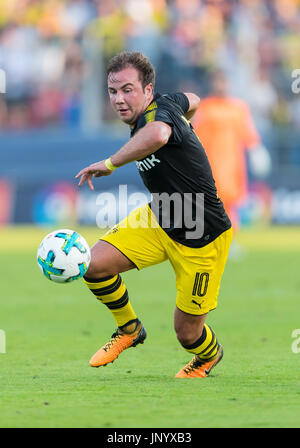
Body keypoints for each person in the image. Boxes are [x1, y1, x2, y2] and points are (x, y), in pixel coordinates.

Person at [75, 51, 232, 378]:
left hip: (201, 234)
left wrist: (109, 163)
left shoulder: (156, 117)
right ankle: (129, 328)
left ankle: (208, 355)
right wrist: (188, 113)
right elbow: (194, 98)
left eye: (128, 90)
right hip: (161, 217)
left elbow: (159, 135)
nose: (119, 99)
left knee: (187, 334)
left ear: (148, 90)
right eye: (113, 91)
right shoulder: (169, 104)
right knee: (92, 264)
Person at [192, 69, 271, 234]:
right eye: (217, 81)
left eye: (223, 81)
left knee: (231, 202)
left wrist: (256, 149)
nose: (220, 85)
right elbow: (196, 135)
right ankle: (212, 238)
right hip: (211, 163)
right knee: (213, 202)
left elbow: (248, 132)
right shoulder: (206, 107)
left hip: (234, 163)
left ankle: (229, 239)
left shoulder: (238, 108)